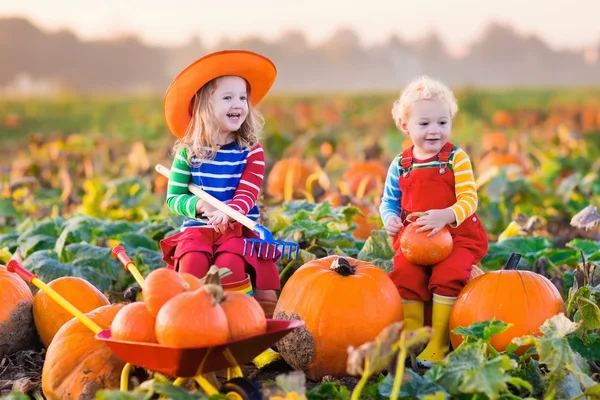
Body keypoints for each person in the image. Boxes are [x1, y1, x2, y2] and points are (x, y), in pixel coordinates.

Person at [159, 50, 280, 318]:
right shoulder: (188, 152)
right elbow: (174, 197)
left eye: (242, 98)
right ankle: (192, 320)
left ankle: (240, 321)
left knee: (231, 265)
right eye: (228, 97)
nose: (238, 104)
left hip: (236, 228)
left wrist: (229, 212)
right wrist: (200, 205)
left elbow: (248, 192)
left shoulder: (251, 152)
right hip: (198, 229)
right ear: (204, 106)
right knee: (192, 264)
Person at [379, 75, 488, 366]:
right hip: (415, 241)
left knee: (448, 273)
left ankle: (439, 340)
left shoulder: (456, 158)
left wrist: (447, 215)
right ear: (405, 126)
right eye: (424, 124)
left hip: (458, 237)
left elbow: (469, 199)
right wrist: (389, 218)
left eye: (442, 122)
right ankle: (413, 337)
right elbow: (388, 200)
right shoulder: (401, 164)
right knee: (405, 273)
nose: (434, 131)